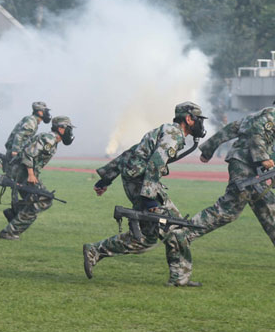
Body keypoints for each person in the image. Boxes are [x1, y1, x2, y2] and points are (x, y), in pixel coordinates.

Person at [83, 102, 207, 286]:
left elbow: (131, 153)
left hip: (139, 182)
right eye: (198, 120)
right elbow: (155, 164)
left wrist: (106, 179)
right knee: (177, 228)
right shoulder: (173, 135)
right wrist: (150, 201)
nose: (200, 125)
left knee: (145, 238)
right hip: (144, 185)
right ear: (188, 119)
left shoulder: (166, 130)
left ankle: (96, 250)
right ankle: (179, 277)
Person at [167, 105, 275, 286]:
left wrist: (208, 148)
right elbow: (258, 133)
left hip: (247, 166)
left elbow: (231, 128)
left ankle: (184, 234)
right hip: (247, 168)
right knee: (228, 211)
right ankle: (183, 234)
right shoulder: (270, 115)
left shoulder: (259, 114)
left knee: (269, 211)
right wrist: (263, 158)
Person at [0, 116, 74, 240]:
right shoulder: (49, 139)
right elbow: (29, 154)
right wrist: (31, 174)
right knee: (44, 200)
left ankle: (16, 211)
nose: (70, 132)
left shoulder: (52, 140)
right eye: (68, 128)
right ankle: (10, 231)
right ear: (60, 128)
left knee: (37, 199)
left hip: (25, 173)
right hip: (23, 173)